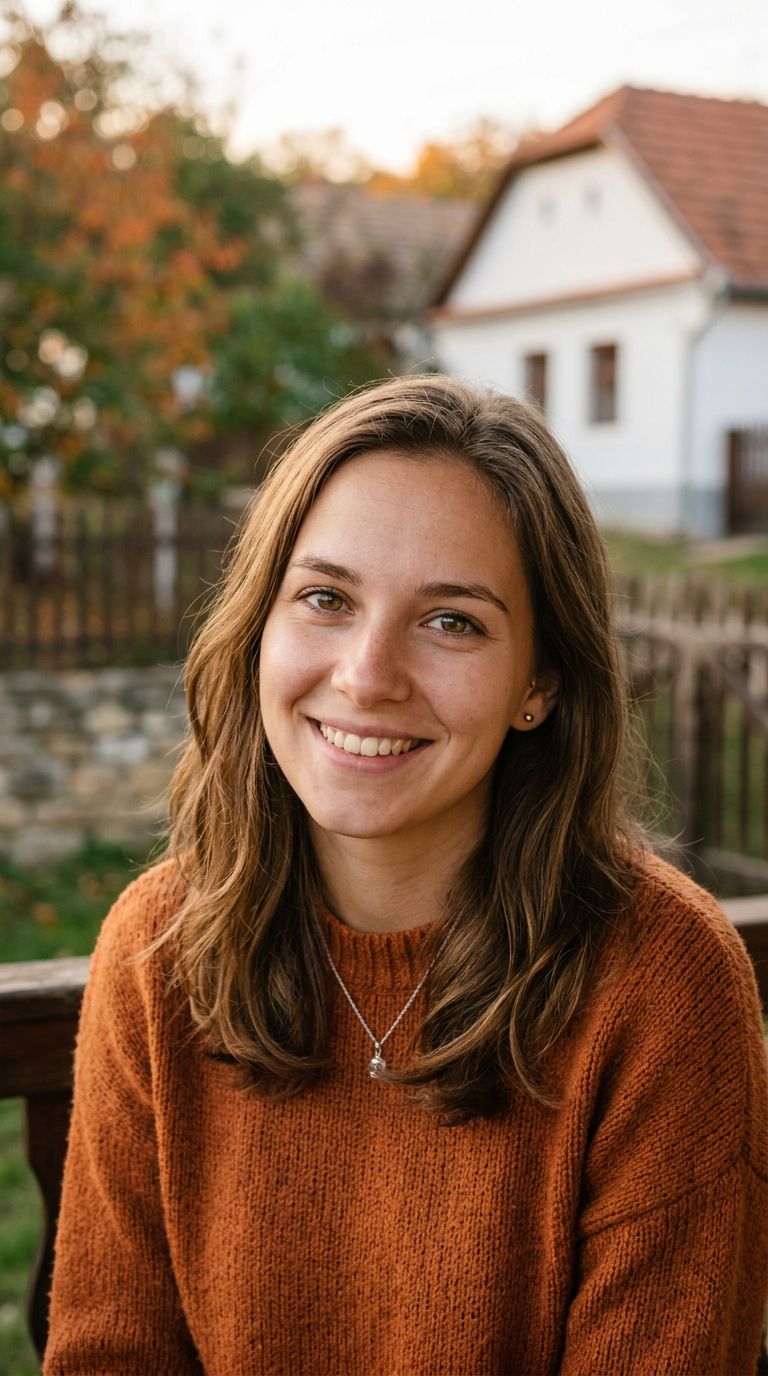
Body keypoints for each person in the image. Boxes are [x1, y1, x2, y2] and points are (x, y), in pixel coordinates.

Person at [44, 375, 767, 1376]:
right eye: (326, 598)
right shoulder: (158, 945)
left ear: (540, 682)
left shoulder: (663, 985)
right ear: (261, 621)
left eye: (452, 621)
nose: (367, 673)